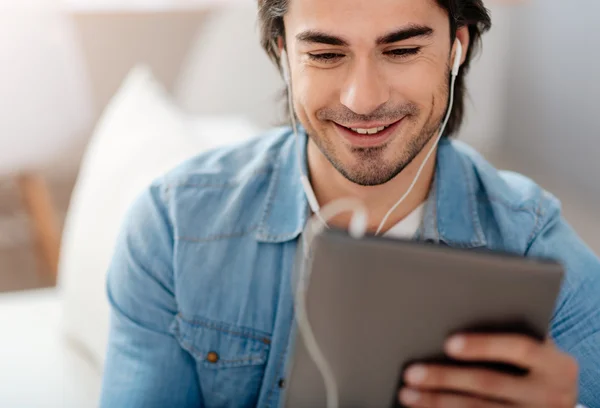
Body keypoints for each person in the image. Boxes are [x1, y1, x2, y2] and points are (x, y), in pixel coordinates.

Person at [99, 0, 600, 407]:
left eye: (401, 49)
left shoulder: (532, 242)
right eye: (324, 54)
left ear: (456, 48)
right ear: (282, 54)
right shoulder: (174, 227)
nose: (363, 99)